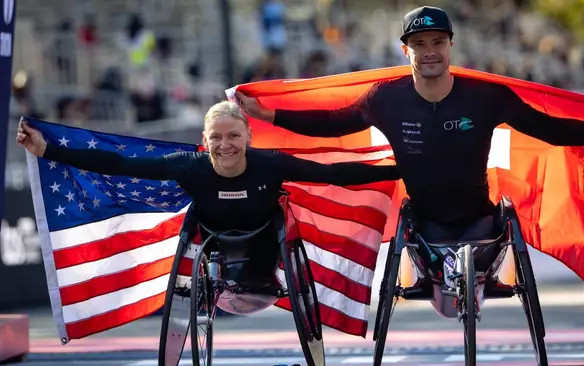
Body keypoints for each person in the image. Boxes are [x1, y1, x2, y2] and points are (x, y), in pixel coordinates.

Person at [235, 5, 584, 243]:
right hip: (421, 221)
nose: (429, 52)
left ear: (450, 45)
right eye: (419, 45)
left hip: (481, 218)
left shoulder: (486, 96)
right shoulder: (385, 97)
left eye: (437, 43)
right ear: (405, 50)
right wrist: (270, 115)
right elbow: (333, 124)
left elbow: (547, 128)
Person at [16, 100, 400, 280]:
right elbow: (120, 164)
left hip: (266, 244)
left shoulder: (272, 163)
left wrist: (400, 169)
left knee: (273, 237)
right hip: (213, 242)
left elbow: (331, 174)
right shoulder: (188, 166)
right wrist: (47, 149)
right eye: (216, 137)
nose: (225, 145)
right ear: (204, 140)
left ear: (249, 137)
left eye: (234, 136)